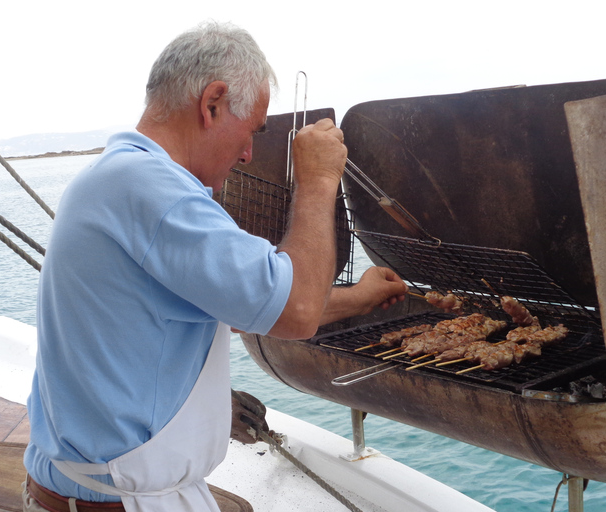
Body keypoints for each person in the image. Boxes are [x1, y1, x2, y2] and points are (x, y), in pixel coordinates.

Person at [22, 20, 408, 512]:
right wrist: (317, 180)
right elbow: (297, 309)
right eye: (251, 132)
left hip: (89, 490)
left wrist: (364, 295)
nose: (248, 153)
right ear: (212, 103)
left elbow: (250, 293)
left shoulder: (119, 177)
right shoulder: (152, 191)